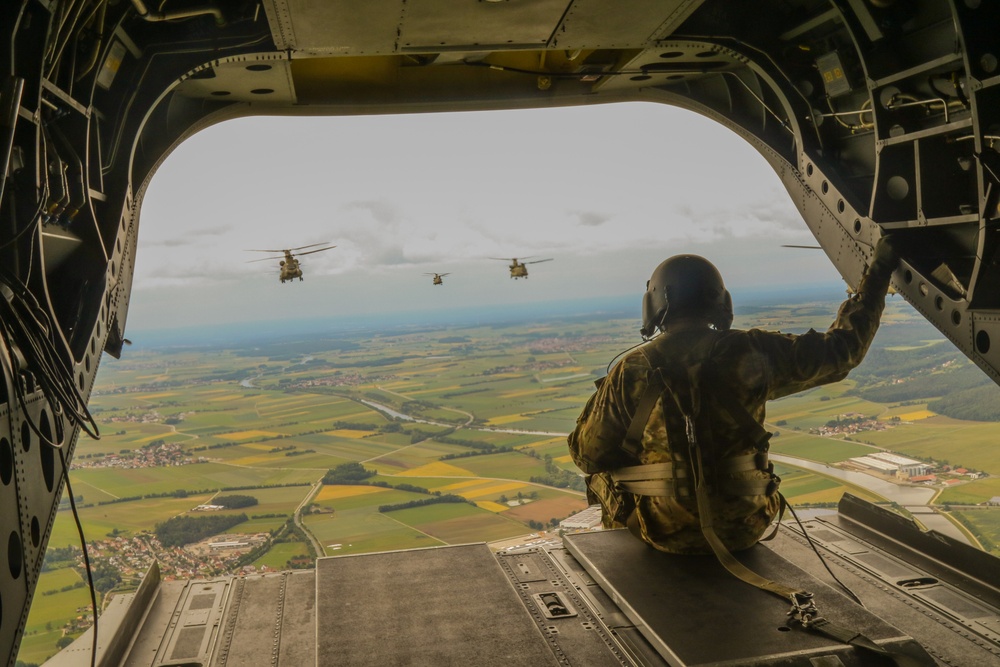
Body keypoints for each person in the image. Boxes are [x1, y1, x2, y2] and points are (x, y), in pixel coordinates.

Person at [568, 238, 897, 555]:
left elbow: (588, 457)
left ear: (656, 305)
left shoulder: (630, 369)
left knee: (602, 475)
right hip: (745, 527)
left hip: (660, 533)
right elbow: (843, 353)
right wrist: (877, 273)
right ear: (719, 300)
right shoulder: (751, 350)